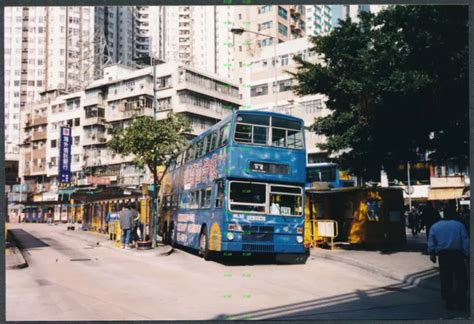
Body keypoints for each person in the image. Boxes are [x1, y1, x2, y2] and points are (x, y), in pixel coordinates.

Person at [427, 202, 470, 311]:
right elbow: (465, 241)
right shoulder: (459, 225)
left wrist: (432, 254)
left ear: (443, 215)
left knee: (446, 278)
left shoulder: (435, 226)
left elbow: (431, 242)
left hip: (443, 256)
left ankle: (449, 301)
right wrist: (467, 254)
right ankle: (461, 301)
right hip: (457, 255)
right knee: (461, 278)